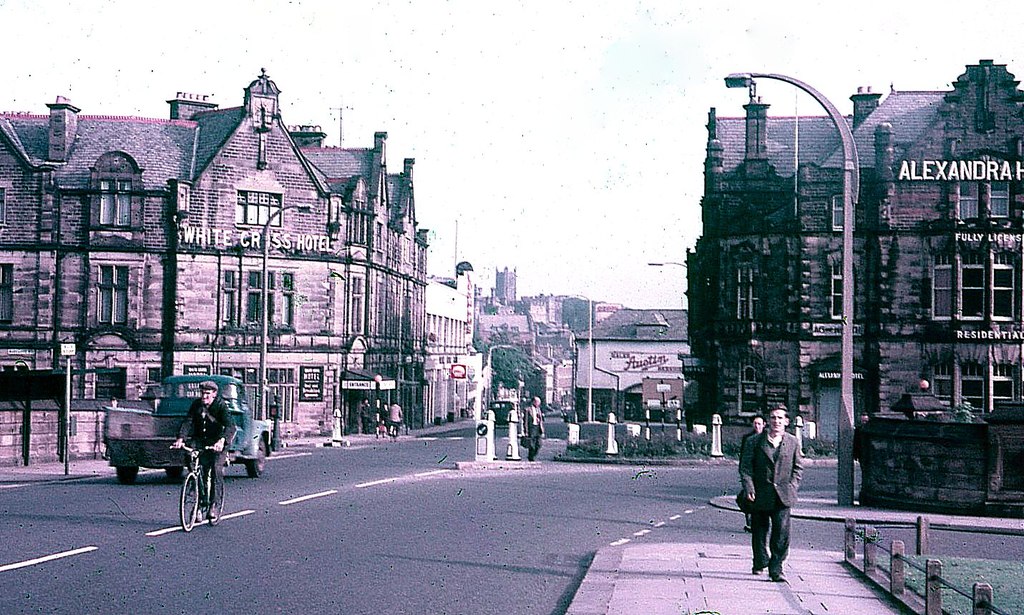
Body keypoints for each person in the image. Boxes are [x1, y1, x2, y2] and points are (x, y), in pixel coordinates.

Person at [739, 404, 803, 583]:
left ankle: (776, 569)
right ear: (768, 421)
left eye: (780, 418)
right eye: (773, 418)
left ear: (786, 422)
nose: (776, 421)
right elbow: (745, 468)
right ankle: (760, 560)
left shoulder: (792, 442)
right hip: (759, 494)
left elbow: (798, 468)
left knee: (781, 533)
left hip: (782, 495)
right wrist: (749, 487)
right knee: (759, 531)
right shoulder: (754, 441)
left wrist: (793, 486)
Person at [172, 380, 237, 522]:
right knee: (192, 461)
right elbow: (188, 421)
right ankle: (200, 501)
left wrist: (221, 441)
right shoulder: (196, 405)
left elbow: (231, 426)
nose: (204, 396)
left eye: (207, 394)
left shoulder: (220, 406)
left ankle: (214, 504)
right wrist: (180, 439)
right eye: (202, 393)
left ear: (214, 394)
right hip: (201, 440)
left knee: (215, 469)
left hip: (218, 442)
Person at [738, 414, 766, 532]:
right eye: (755, 423)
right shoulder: (748, 438)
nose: (757, 426)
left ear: (764, 425)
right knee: (746, 497)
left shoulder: (767, 438)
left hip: (762, 473)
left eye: (759, 424)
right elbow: (743, 457)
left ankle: (757, 523)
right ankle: (749, 521)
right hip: (750, 473)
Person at [522, 396, 545, 461]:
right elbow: (525, 421)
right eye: (537, 402)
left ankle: (533, 454)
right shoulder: (527, 410)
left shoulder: (538, 409)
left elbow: (541, 420)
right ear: (534, 402)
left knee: (539, 444)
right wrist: (525, 431)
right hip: (531, 428)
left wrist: (542, 430)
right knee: (531, 444)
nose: (539, 404)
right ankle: (531, 457)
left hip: (538, 428)